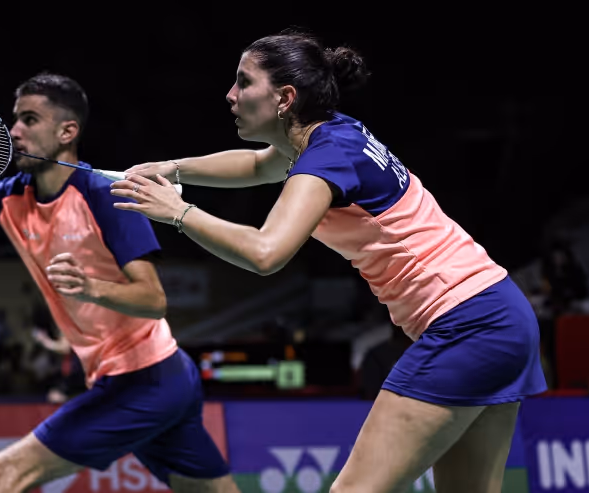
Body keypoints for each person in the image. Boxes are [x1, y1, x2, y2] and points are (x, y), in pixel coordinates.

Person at [112, 29, 547, 492]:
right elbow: (258, 166)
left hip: (466, 323)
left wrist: (178, 213)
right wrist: (173, 168)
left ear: (285, 98)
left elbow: (265, 252)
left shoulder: (325, 160)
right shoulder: (335, 133)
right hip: (503, 313)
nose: (230, 94)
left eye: (244, 81)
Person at [0, 73, 238, 493]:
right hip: (148, 377)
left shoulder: (105, 195)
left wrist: (90, 287)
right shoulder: (7, 197)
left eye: (30, 120)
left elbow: (153, 299)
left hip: (146, 377)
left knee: (4, 472)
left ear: (67, 132)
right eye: (15, 118)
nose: (14, 130)